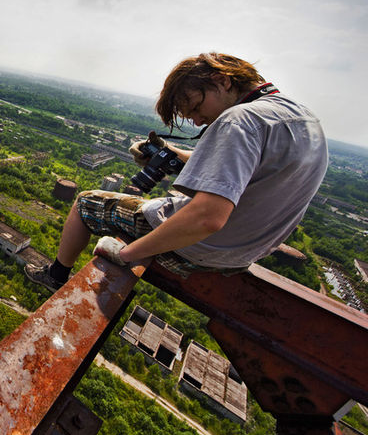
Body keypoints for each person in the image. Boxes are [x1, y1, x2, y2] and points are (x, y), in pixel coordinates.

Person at [26, 52, 328, 291]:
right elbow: (243, 173)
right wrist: (170, 152)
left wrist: (126, 254)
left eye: (196, 107)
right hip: (241, 257)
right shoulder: (304, 120)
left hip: (199, 248)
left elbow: (207, 218)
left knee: (86, 203)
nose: (198, 121)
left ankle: (55, 275)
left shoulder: (239, 120)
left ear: (222, 80)